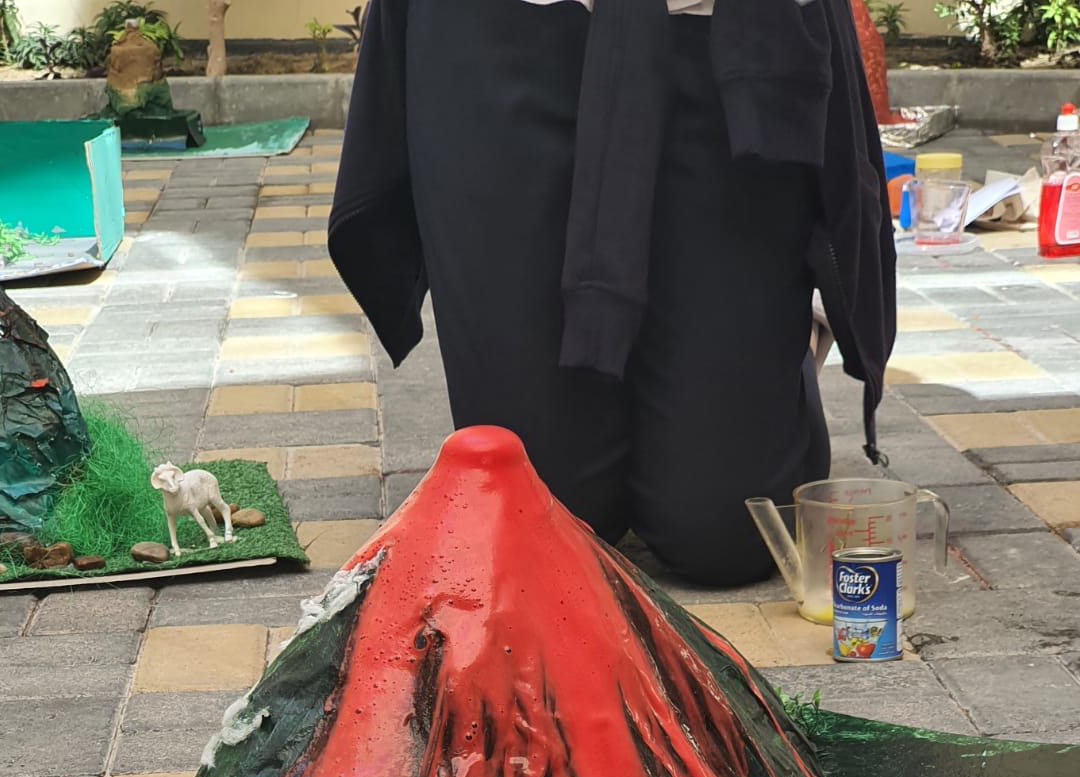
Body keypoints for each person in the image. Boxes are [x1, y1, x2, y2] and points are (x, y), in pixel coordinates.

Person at [329, 0, 895, 588]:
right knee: (545, 523)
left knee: (725, 535)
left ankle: (777, 368)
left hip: (720, 35)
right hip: (499, 30)